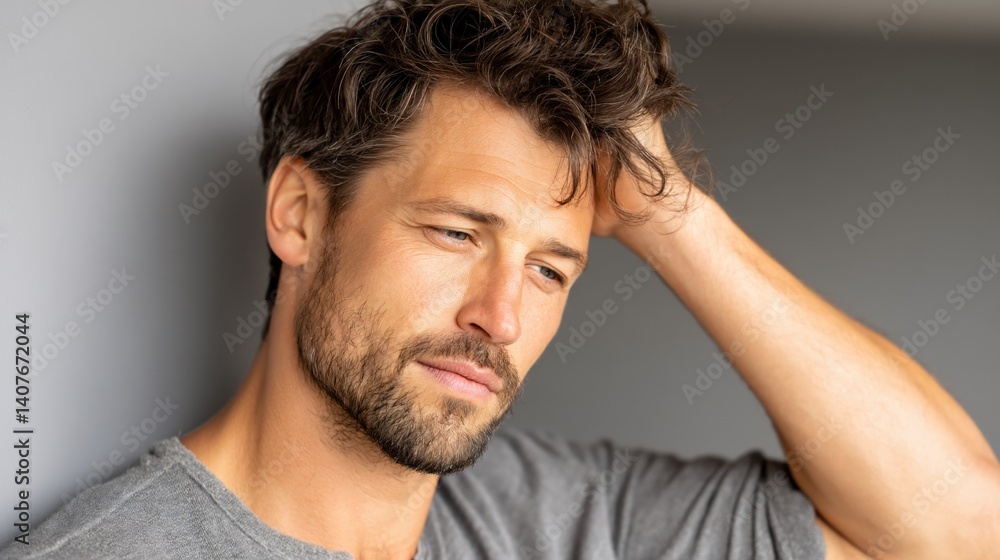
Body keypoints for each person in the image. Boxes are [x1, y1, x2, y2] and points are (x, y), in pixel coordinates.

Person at [6, 0, 998, 558]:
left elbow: (958, 526)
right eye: (454, 232)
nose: (500, 314)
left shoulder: (562, 516)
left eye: (551, 265)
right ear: (300, 214)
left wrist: (668, 214)